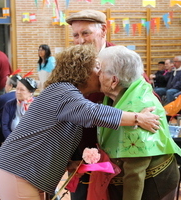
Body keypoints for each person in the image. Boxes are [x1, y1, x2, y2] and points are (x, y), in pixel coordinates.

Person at [0, 45, 159, 200]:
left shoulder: (63, 91)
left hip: (18, 171)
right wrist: (138, 118)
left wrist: (68, 163)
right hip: (17, 171)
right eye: (97, 68)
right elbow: (93, 113)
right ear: (82, 71)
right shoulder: (64, 92)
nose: (100, 73)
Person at [65, 9, 161, 200]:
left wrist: (140, 116)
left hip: (114, 162)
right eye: (76, 35)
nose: (80, 40)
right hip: (80, 156)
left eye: (86, 33)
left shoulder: (119, 58)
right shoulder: (75, 62)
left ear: (103, 30)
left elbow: (149, 98)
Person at [97, 46, 181, 200]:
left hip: (154, 185)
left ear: (114, 80)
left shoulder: (138, 108)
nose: (96, 74)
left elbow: (135, 172)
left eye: (100, 70)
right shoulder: (130, 91)